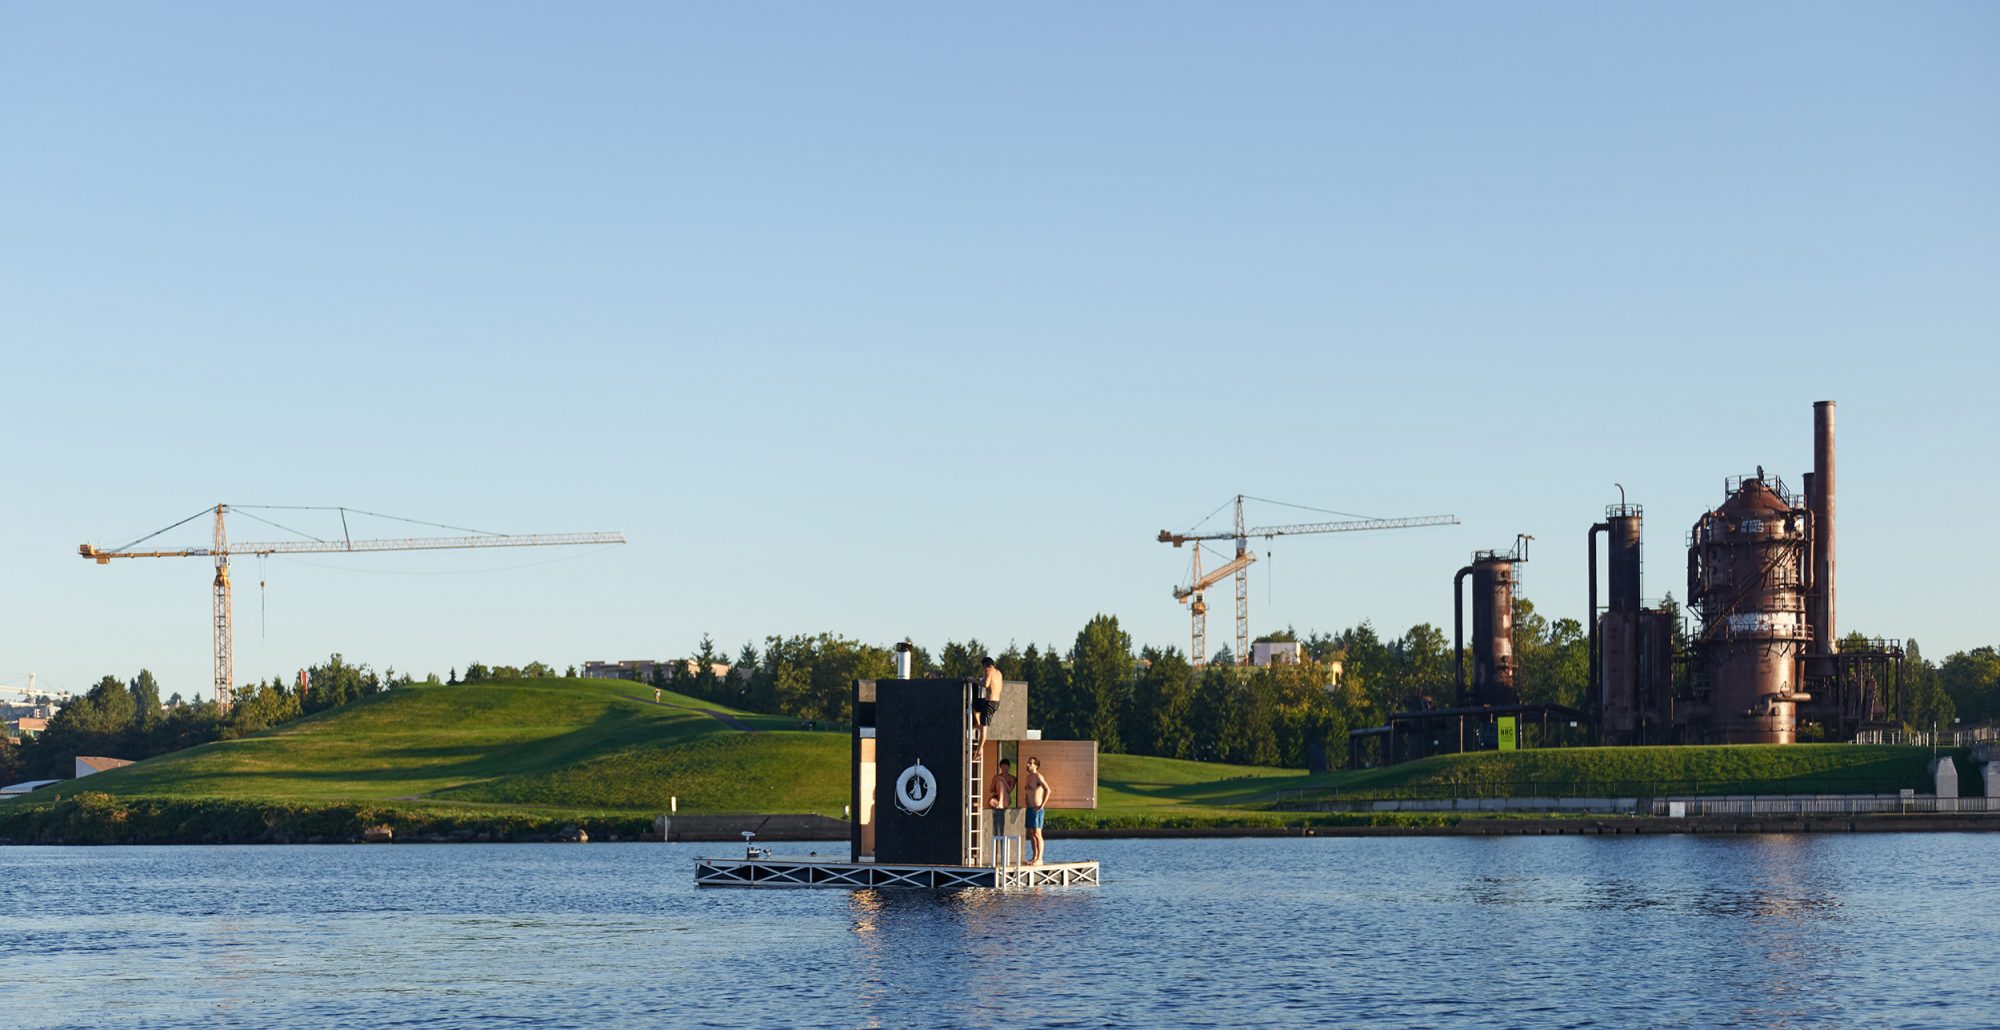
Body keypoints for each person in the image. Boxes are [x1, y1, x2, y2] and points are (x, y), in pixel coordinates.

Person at [986, 757, 1016, 860]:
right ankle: (999, 803)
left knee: (1000, 783)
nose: (1004, 768)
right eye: (1002, 766)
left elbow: (1010, 790)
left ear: (1008, 767)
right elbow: (991, 789)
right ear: (1000, 767)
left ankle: (1000, 804)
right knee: (992, 798)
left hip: (1006, 799)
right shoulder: (996, 777)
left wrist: (1002, 779)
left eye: (1006, 766)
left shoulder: (1012, 778)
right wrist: (998, 779)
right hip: (996, 798)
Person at [1021, 755, 1049, 865]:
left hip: (1037, 809)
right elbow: (1029, 792)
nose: (1027, 764)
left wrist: (1042, 805)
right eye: (1028, 762)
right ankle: (1034, 856)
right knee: (1031, 833)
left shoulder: (1038, 777)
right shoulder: (1028, 777)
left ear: (1036, 766)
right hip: (1029, 808)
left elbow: (1048, 790)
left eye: (1030, 763)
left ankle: (1040, 858)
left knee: (1037, 833)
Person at [972, 656, 1003, 744]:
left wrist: (974, 680)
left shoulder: (988, 670)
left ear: (985, 665)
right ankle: (977, 723)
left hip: (989, 703)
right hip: (996, 702)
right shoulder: (998, 673)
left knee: (983, 730)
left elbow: (985, 684)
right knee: (975, 704)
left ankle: (979, 750)